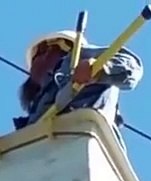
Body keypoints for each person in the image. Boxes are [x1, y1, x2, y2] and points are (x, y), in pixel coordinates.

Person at [13, 30, 142, 145]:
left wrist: (100, 68)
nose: (37, 60)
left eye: (40, 52)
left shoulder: (77, 58)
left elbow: (131, 65)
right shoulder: (40, 103)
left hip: (87, 139)